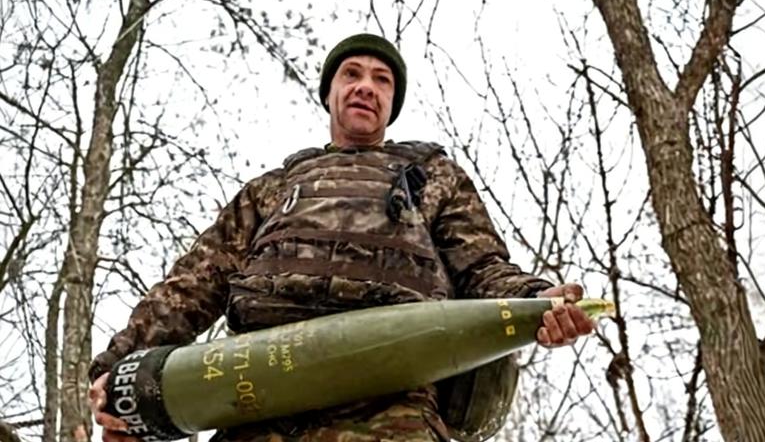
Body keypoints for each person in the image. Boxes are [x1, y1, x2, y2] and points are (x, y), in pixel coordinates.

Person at [88, 33, 594, 442]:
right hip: (257, 401)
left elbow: (481, 267)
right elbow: (193, 284)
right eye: (351, 74)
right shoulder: (271, 189)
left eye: (382, 79)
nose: (365, 87)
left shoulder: (434, 177)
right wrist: (115, 370)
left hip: (391, 409)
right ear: (330, 91)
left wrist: (534, 301)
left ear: (392, 101)